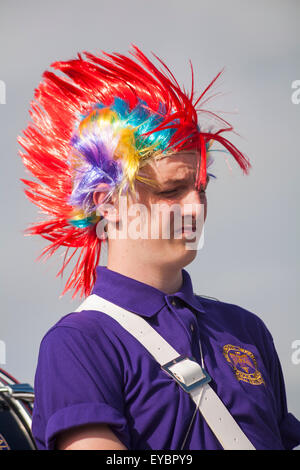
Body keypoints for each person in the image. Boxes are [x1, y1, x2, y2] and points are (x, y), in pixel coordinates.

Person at [19, 45, 300, 450]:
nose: (196, 206)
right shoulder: (79, 343)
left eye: (200, 188)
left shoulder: (245, 328)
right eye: (172, 190)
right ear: (107, 203)